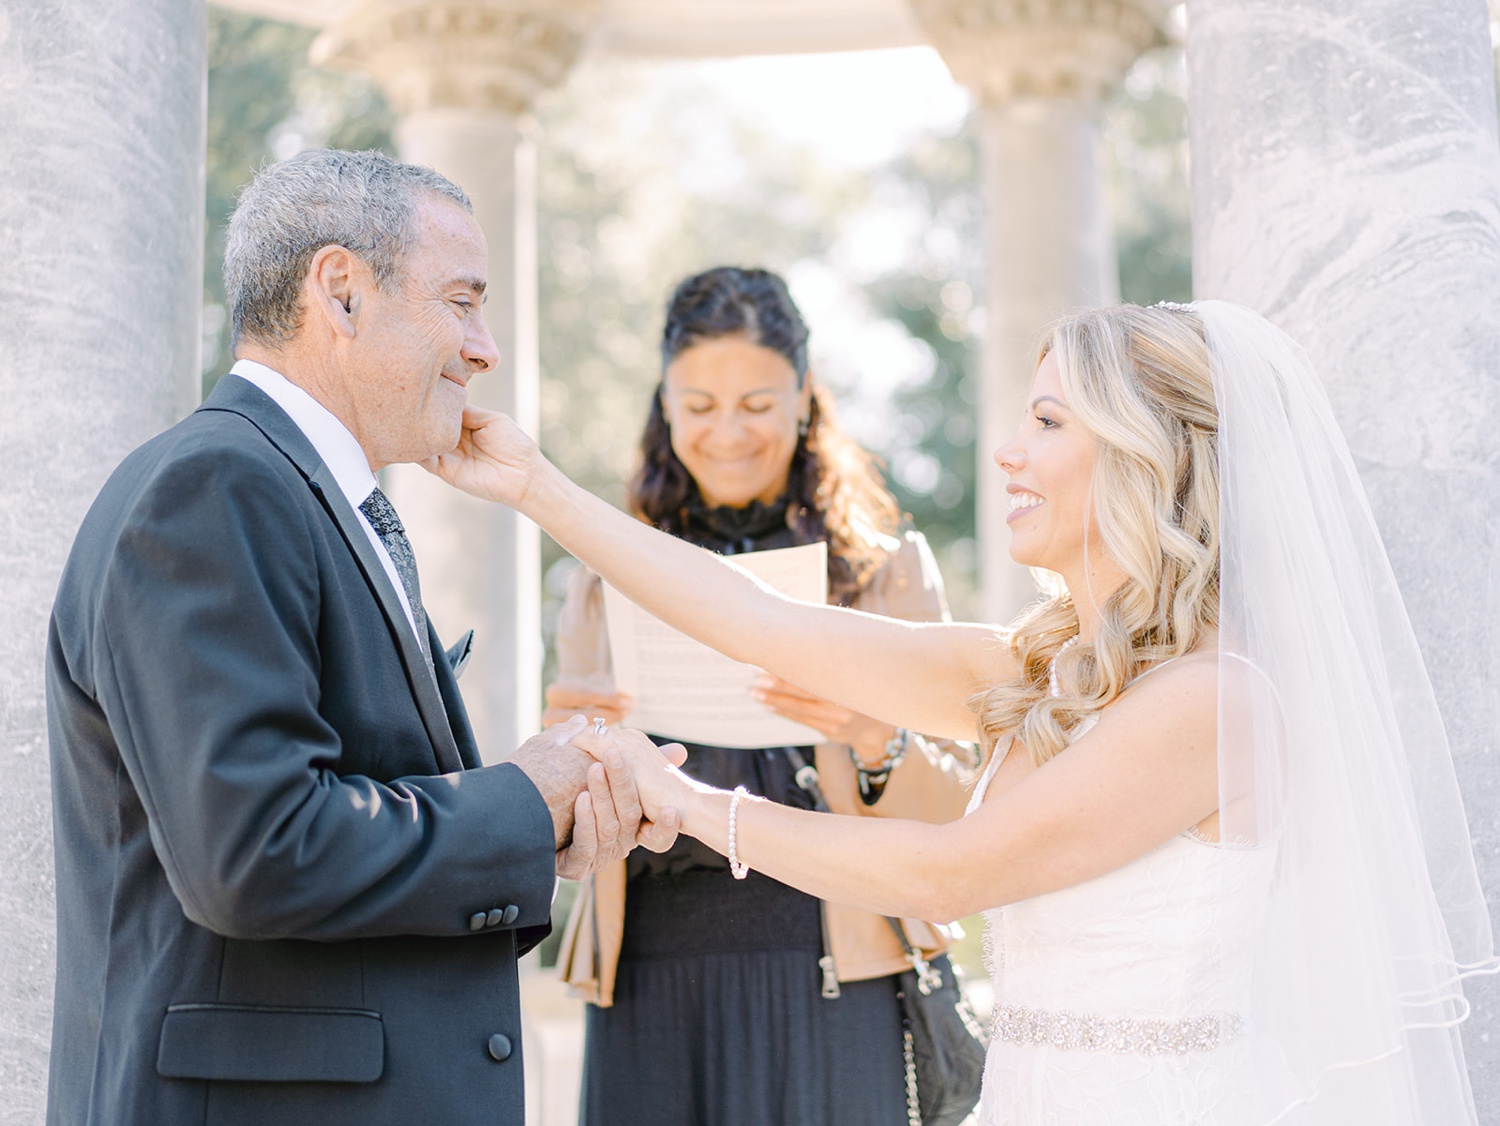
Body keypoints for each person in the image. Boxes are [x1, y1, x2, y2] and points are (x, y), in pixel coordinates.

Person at [428, 300, 1498, 1124]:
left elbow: (955, 870)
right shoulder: (1042, 671)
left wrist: (686, 799)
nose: (1008, 452)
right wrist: (537, 488)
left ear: (1146, 453)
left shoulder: (1214, 703)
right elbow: (758, 620)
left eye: (1045, 421)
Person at [44, 148, 677, 1126]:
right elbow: (257, 849)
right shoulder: (215, 487)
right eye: (462, 302)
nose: (485, 349)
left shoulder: (306, 495)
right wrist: (519, 801)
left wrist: (538, 823)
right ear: (340, 292)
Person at [544, 266, 973, 1125]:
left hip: (835, 978)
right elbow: (566, 831)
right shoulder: (604, 580)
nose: (727, 433)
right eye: (699, 407)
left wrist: (876, 736)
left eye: (757, 405)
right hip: (649, 978)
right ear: (664, 404)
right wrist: (563, 747)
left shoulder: (886, 574)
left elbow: (968, 807)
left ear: (806, 399)